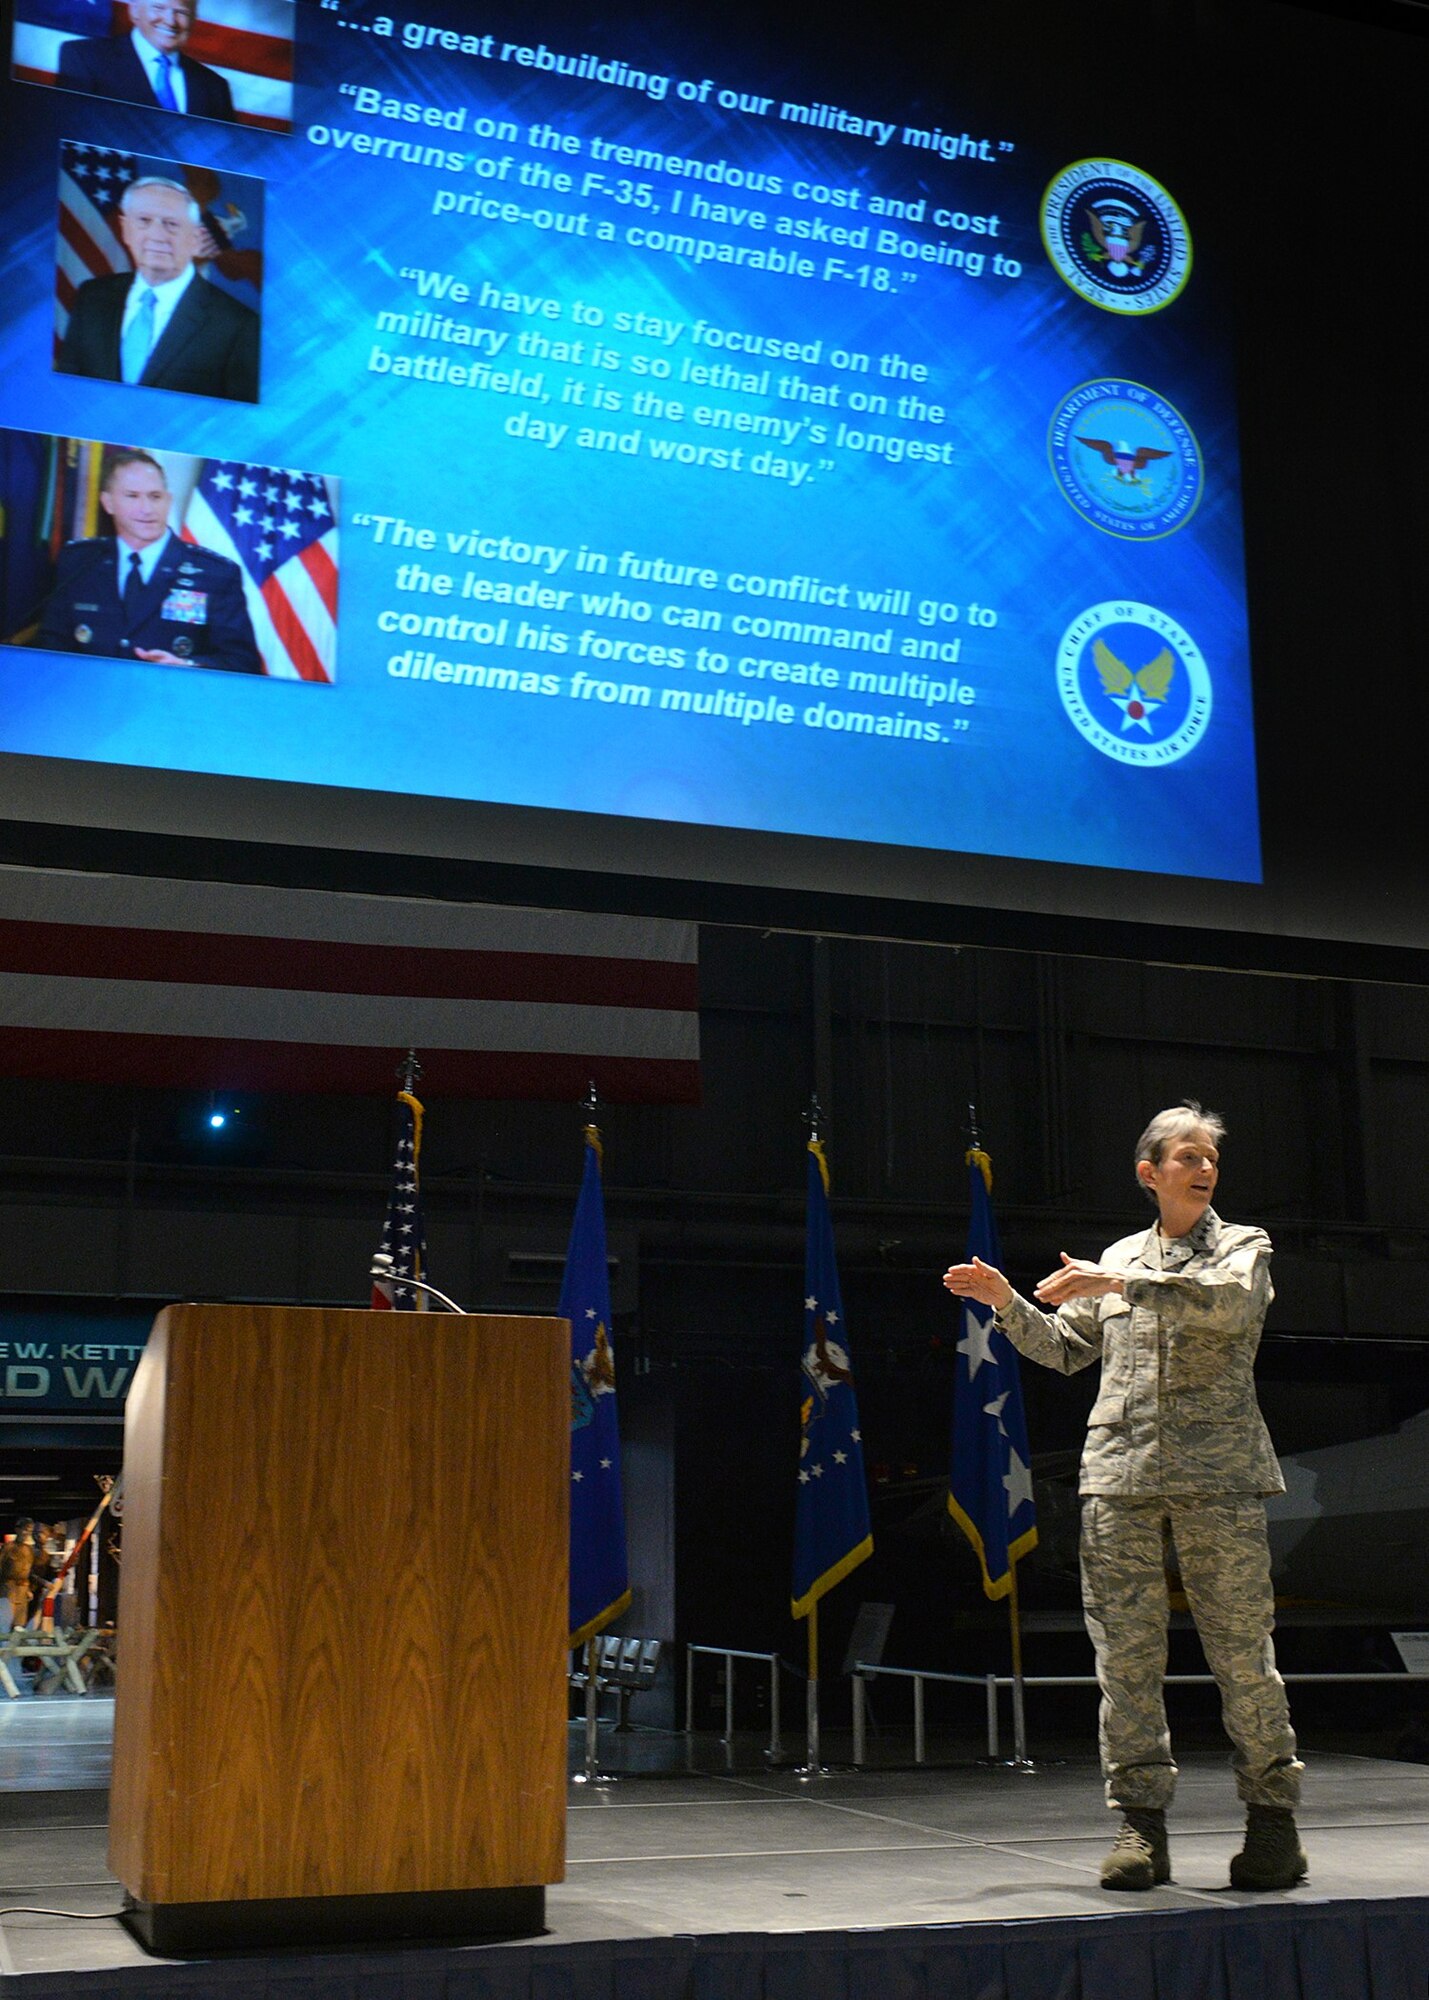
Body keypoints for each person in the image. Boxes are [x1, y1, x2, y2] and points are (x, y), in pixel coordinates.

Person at [942, 1101, 1306, 1893]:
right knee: (1126, 1662)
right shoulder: (1115, 1258)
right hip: (1121, 1478)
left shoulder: (1243, 1248)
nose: (1202, 1168)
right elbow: (1066, 1350)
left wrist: (1121, 1281)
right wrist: (1007, 1304)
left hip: (1219, 1480)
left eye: (1209, 1157)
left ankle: (1272, 1822)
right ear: (1150, 1173)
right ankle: (1140, 1824)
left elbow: (1228, 1305)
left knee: (1242, 1658)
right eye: (1185, 1157)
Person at [38, 448, 263, 674]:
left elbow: (243, 664)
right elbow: (50, 646)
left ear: (167, 500)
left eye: (155, 497)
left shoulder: (215, 574)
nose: (147, 509)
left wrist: (188, 667)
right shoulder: (80, 561)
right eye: (132, 496)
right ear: (108, 503)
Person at [58, 177, 260, 403]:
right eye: (144, 220)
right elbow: (66, 390)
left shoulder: (238, 326)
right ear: (125, 229)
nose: (157, 235)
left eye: (171, 224)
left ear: (195, 237)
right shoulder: (91, 296)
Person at [56, 0, 236, 120]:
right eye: (158, 7)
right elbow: (67, 132)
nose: (170, 21)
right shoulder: (85, 58)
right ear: (134, 10)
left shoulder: (215, 87)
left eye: (181, 12)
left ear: (193, 20)